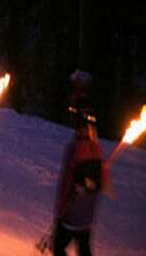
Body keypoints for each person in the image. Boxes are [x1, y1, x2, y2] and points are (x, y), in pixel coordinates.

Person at [52, 96, 108, 256]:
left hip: (71, 212)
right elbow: (101, 183)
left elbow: (67, 182)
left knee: (58, 247)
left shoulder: (74, 148)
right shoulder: (97, 148)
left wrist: (60, 210)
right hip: (87, 216)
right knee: (83, 249)